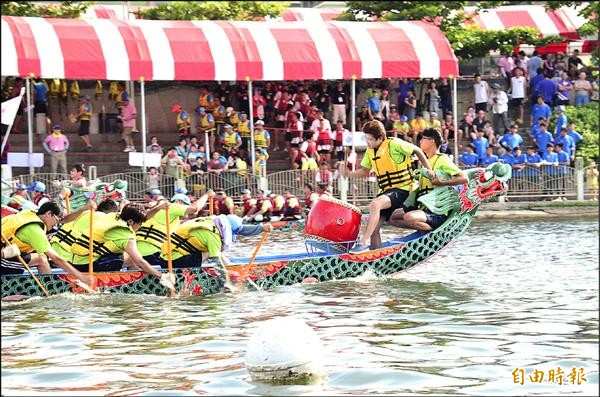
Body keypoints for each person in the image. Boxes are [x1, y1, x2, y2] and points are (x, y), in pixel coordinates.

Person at [347, 120, 432, 253]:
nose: (367, 142)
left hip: (403, 189)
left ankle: (363, 242)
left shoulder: (394, 144)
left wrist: (429, 169)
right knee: (374, 228)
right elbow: (364, 171)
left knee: (375, 204)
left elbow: (417, 150)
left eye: (370, 139)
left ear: (380, 138)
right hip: (386, 193)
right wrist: (348, 174)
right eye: (366, 138)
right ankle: (375, 258)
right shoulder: (370, 152)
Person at [50, 202, 173, 290]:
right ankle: (133, 284)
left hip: (77, 261)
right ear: (130, 222)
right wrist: (162, 276)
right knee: (132, 259)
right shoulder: (125, 234)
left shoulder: (112, 216)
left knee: (126, 256)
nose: (140, 227)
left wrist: (159, 208)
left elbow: (142, 217)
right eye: (139, 224)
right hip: (87, 265)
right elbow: (140, 261)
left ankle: (131, 279)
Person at [389, 128, 467, 232]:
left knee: (409, 217)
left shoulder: (442, 159)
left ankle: (435, 234)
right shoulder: (426, 162)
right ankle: (423, 228)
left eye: (423, 139)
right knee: (392, 217)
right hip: (422, 207)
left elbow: (463, 178)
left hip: (436, 211)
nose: (420, 141)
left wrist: (441, 182)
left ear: (432, 141)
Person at [1, 201, 92, 285]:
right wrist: (81, 276)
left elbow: (64, 220)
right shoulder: (35, 231)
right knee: (42, 259)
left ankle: (47, 283)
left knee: (41, 257)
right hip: (3, 259)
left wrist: (84, 209)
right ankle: (49, 286)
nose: (57, 224)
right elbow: (57, 259)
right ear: (49, 214)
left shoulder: (33, 214)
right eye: (57, 220)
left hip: (8, 253)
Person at [163, 213, 273, 272]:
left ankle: (231, 267)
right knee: (214, 253)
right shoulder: (213, 235)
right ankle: (231, 269)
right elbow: (217, 263)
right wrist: (228, 282)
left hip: (168, 257)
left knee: (216, 253)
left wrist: (261, 228)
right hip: (173, 261)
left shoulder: (210, 224)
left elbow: (242, 230)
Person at [134, 192, 208, 269]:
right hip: (154, 255)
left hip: (140, 255)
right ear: (178, 202)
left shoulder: (166, 215)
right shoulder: (170, 207)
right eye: (187, 205)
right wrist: (207, 194)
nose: (187, 213)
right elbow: (195, 209)